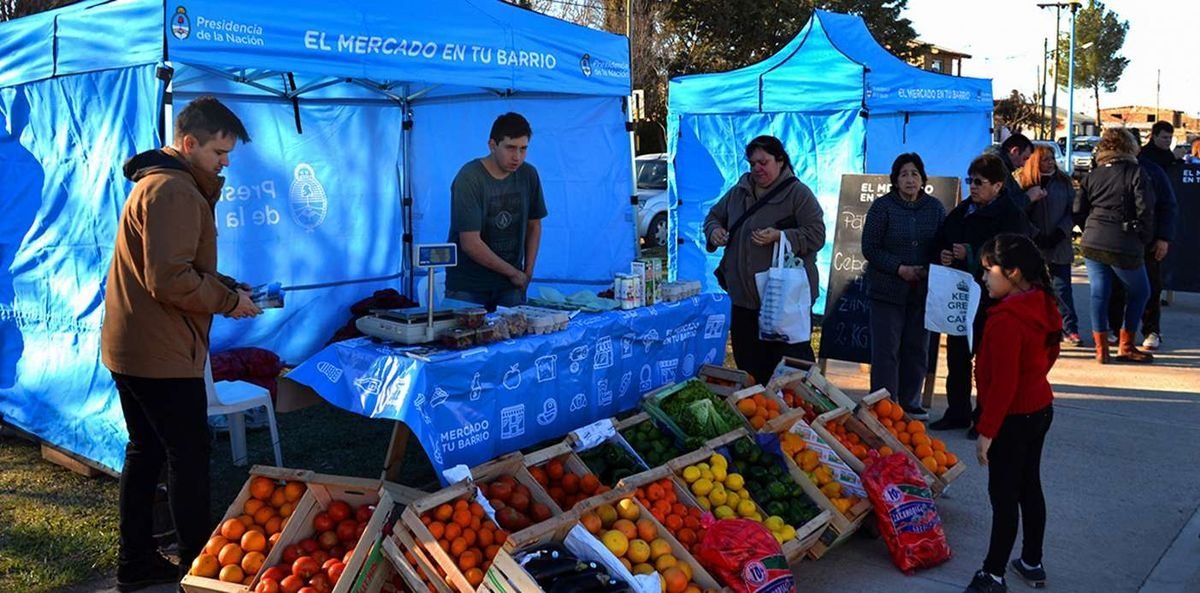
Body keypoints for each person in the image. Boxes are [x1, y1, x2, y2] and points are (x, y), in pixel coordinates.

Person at [101, 96, 261, 592]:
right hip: (160, 354)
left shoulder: (168, 185)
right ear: (189, 144)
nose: (225, 162)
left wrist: (228, 287)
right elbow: (168, 279)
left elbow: (178, 268)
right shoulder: (174, 191)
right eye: (218, 151)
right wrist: (227, 301)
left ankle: (136, 563)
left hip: (136, 346)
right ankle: (198, 570)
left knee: (145, 451)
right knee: (187, 459)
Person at [962, 233, 1060, 593]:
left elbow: (1002, 385)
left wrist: (987, 431)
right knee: (1029, 486)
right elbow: (1050, 353)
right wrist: (1033, 380)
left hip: (1012, 419)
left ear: (1014, 272)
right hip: (1039, 408)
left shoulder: (1005, 320)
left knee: (1004, 498)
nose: (984, 277)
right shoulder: (1042, 303)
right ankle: (1032, 561)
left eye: (990, 270)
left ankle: (993, 573)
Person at [705, 135, 825, 385]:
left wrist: (782, 236)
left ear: (780, 161)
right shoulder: (739, 191)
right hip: (744, 301)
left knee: (789, 373)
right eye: (752, 163)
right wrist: (714, 231)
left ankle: (796, 419)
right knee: (749, 368)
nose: (757, 168)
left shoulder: (797, 194)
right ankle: (756, 419)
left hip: (783, 303)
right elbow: (714, 216)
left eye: (763, 162)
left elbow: (817, 234)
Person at [930, 153, 1027, 438]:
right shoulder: (963, 210)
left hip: (993, 299)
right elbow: (941, 238)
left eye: (980, 182)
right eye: (970, 180)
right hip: (960, 294)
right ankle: (957, 410)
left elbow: (1012, 253)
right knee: (957, 355)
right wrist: (944, 253)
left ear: (998, 186)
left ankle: (985, 415)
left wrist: (973, 252)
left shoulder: (1011, 214)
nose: (973, 187)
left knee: (987, 360)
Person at [861, 153, 946, 419]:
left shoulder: (935, 208)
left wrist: (933, 263)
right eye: (904, 174)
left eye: (914, 174)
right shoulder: (882, 207)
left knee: (917, 347)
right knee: (886, 350)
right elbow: (870, 248)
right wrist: (899, 267)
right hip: (887, 290)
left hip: (922, 291)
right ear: (895, 180)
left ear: (923, 179)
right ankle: (883, 405)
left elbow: (941, 243)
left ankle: (910, 401)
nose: (910, 179)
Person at [445, 112, 547, 311]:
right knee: (464, 340)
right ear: (492, 145)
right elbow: (471, 244)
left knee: (517, 341)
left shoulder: (529, 174)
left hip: (511, 286)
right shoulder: (469, 178)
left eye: (523, 149)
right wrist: (515, 274)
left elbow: (534, 225)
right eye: (510, 148)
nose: (517, 157)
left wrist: (528, 272)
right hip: (469, 286)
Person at [1074, 128, 1156, 364]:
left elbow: (1078, 210)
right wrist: (1144, 237)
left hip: (1092, 239)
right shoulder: (1136, 172)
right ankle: (1126, 345)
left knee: (1099, 293)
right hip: (1123, 241)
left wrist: (1089, 226)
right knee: (1141, 292)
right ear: (1129, 147)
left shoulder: (1092, 175)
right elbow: (1145, 209)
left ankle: (1101, 350)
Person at [1105, 125, 1178, 351]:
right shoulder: (1105, 170)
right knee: (1115, 288)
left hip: (1148, 240)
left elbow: (1168, 206)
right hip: (1115, 240)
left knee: (1150, 288)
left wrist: (1164, 238)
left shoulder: (1153, 171)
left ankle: (1151, 330)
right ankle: (1116, 330)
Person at [1016, 144, 1082, 346]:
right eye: (1045, 159)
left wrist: (1062, 231)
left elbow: (1073, 211)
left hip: (1059, 241)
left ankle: (1069, 328)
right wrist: (1035, 233)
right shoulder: (1023, 183)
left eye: (1052, 158)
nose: (1050, 162)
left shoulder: (1063, 182)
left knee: (1062, 288)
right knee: (1032, 288)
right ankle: (1035, 326)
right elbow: (1019, 213)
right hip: (1032, 243)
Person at [988, 133, 1043, 212]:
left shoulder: (1000, 167)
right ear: (1014, 151)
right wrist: (1029, 197)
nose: (1023, 165)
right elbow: (1005, 207)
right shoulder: (996, 170)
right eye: (1024, 158)